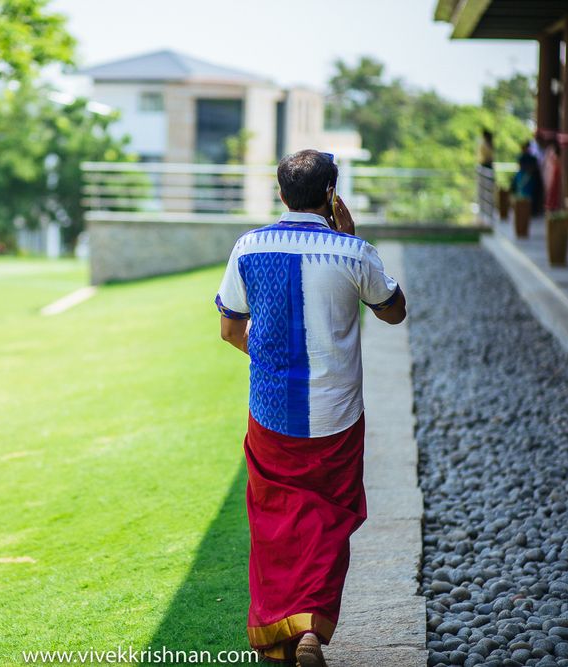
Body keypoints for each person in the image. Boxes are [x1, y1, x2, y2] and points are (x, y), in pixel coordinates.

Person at [215, 149, 407, 667]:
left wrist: (273, 363)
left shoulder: (248, 247)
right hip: (336, 416)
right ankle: (310, 632)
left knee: (275, 521)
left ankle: (281, 637)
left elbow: (231, 328)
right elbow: (394, 312)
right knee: (327, 518)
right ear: (331, 194)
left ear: (280, 193)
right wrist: (349, 238)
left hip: (271, 412)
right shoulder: (354, 252)